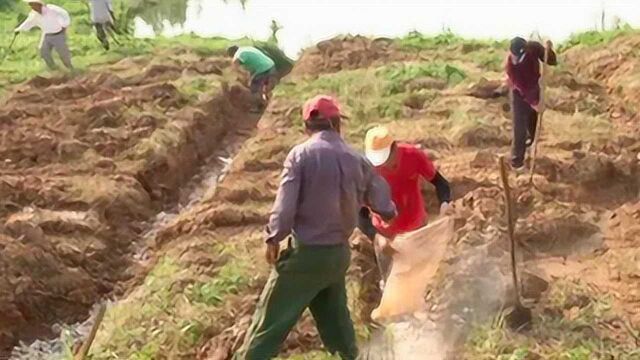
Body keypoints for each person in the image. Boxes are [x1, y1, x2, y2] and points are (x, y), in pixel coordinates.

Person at [235, 95, 397, 360]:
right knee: (337, 326)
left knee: (268, 326)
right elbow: (383, 205)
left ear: (307, 127)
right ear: (336, 124)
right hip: (338, 256)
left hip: (306, 256)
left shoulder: (300, 155)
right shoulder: (356, 158)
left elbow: (285, 206)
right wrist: (389, 214)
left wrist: (273, 238)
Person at [359, 125, 452, 286]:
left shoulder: (412, 156)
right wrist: (376, 237)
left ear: (394, 148)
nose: (383, 165)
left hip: (417, 231)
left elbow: (441, 183)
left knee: (421, 282)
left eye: (386, 159)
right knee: (392, 286)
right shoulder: (364, 169)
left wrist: (445, 203)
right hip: (386, 240)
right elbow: (358, 211)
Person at [505, 36, 557, 171]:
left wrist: (548, 51)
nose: (515, 58)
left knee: (533, 124)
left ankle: (530, 140)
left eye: (518, 56)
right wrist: (535, 103)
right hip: (519, 93)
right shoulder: (511, 67)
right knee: (519, 126)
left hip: (535, 87)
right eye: (514, 55)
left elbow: (551, 61)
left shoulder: (533, 48)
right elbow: (522, 88)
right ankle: (517, 162)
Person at [14, 0, 74, 71]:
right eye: (30, 5)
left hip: (58, 34)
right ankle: (54, 69)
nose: (32, 7)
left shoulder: (52, 9)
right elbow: (28, 23)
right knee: (44, 52)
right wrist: (18, 29)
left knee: (63, 54)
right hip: (46, 35)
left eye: (33, 5)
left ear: (38, 4)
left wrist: (64, 24)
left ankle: (70, 68)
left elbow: (64, 14)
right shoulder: (34, 15)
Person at [227, 45, 277, 111]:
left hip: (263, 69)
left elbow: (235, 64)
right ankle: (267, 102)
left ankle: (257, 107)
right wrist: (250, 77)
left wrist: (232, 77)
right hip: (271, 65)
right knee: (265, 87)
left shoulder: (239, 53)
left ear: (232, 53)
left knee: (254, 88)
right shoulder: (247, 48)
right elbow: (253, 64)